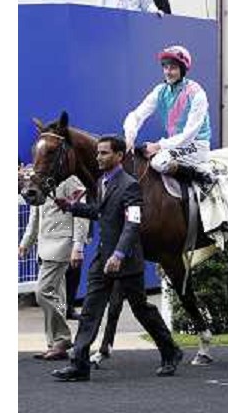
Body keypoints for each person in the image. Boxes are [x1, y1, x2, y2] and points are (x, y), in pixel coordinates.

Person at [51, 135, 183, 382]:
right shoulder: (103, 182)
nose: (98, 157)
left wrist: (119, 254)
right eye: (98, 153)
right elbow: (102, 212)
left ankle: (171, 351)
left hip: (126, 261)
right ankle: (79, 364)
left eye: (104, 153)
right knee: (90, 309)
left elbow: (133, 224)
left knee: (141, 309)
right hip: (103, 259)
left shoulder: (130, 185)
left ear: (119, 156)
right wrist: (71, 206)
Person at [18, 173, 89, 360]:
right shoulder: (39, 180)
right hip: (44, 246)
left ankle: (62, 338)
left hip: (61, 244)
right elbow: (36, 215)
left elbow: (80, 215)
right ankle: (55, 344)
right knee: (56, 294)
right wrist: (26, 243)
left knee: (43, 292)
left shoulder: (71, 180)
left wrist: (77, 245)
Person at [123, 45, 213, 186]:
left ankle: (202, 176)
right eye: (165, 67)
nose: (168, 72)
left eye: (173, 68)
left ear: (182, 70)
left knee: (159, 162)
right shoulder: (161, 91)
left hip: (196, 145)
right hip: (176, 145)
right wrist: (129, 138)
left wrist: (159, 146)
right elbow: (136, 116)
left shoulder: (197, 94)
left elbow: (188, 136)